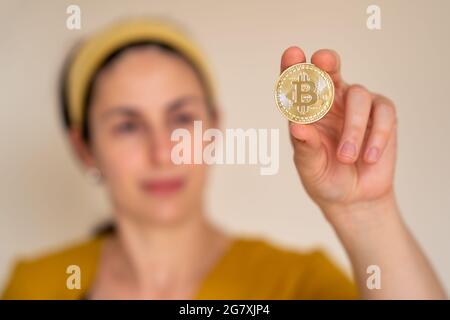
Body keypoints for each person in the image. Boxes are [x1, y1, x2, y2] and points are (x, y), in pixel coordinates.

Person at [1, 18, 446, 300]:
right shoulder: (35, 285)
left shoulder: (296, 282)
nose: (163, 152)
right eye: (127, 125)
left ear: (214, 128)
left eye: (181, 119)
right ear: (85, 147)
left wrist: (365, 211)